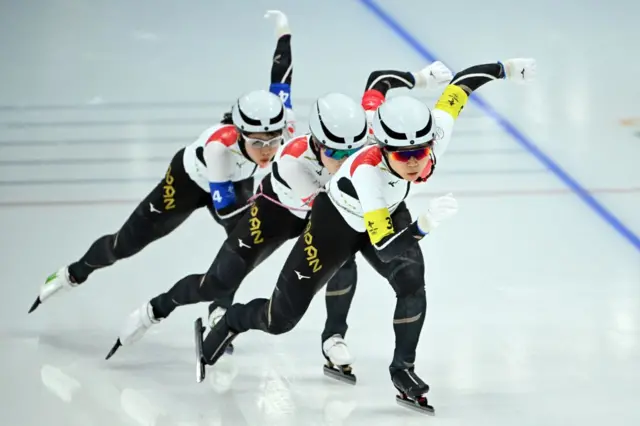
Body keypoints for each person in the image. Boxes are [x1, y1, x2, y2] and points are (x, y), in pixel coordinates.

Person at [193, 58, 537, 414]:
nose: (413, 162)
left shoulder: (437, 133)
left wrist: (508, 68)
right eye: (401, 155)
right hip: (336, 224)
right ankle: (232, 321)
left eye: (420, 152)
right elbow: (386, 247)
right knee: (280, 321)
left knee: (411, 284)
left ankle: (403, 370)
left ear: (431, 141)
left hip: (388, 210)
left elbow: (461, 86)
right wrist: (426, 223)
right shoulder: (368, 171)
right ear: (383, 148)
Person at [28, 10, 295, 314]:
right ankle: (73, 273)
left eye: (273, 140)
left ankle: (219, 310)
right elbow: (225, 207)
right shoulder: (218, 148)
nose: (267, 150)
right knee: (125, 245)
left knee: (244, 244)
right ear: (239, 133)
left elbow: (283, 73)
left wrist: (283, 31)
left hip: (235, 179)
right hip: (189, 181)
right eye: (257, 142)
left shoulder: (281, 121)